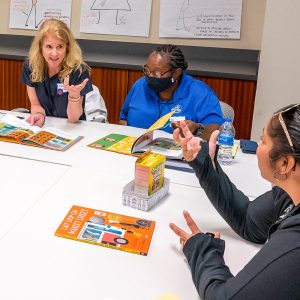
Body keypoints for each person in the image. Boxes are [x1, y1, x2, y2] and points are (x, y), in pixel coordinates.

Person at [169, 103, 300, 299]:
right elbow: (250, 223)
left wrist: (201, 249)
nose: (257, 148)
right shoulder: (289, 193)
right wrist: (204, 162)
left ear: (285, 163)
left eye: (263, 141)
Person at [119, 44, 224, 140]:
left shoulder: (199, 92)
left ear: (176, 73)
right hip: (134, 152)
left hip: (178, 155)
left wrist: (197, 128)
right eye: (147, 70)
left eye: (157, 72)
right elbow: (123, 118)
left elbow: (215, 128)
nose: (150, 76)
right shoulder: (140, 85)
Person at [21, 18, 93, 127]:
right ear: (40, 47)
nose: (54, 53)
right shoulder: (31, 67)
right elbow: (35, 104)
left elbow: (73, 119)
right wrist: (39, 115)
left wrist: (74, 96)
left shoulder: (78, 71)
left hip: (72, 128)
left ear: (67, 48)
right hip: (46, 126)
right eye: (49, 46)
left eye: (60, 47)